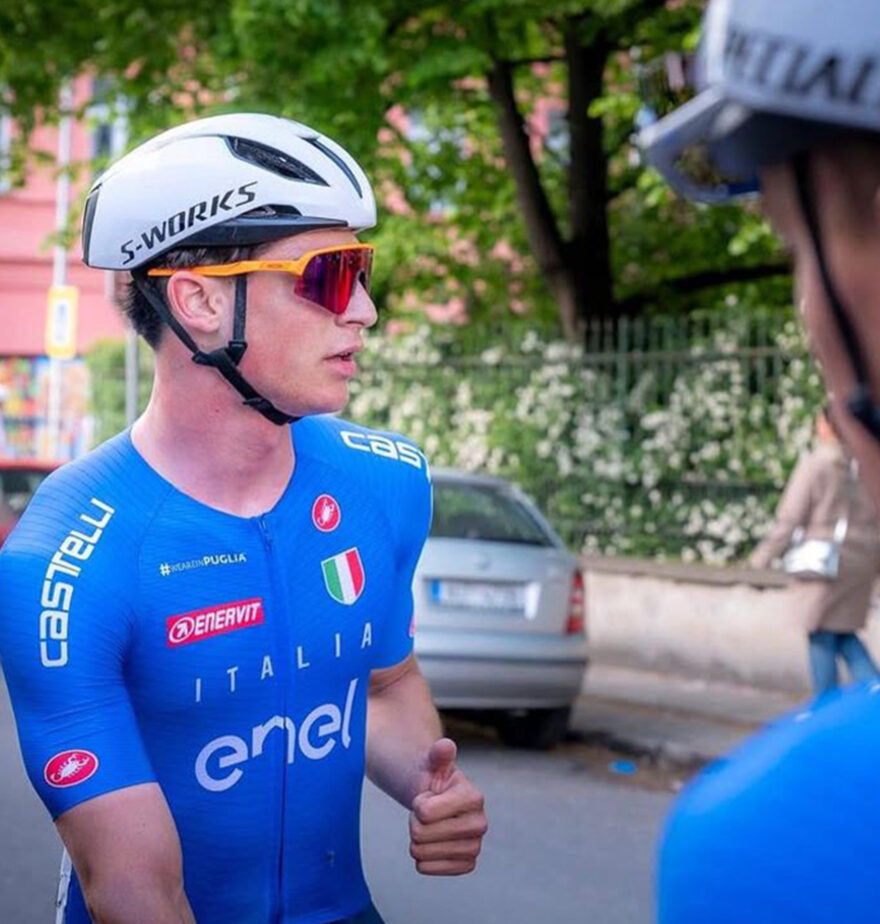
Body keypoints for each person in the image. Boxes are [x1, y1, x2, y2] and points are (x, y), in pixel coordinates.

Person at [0, 113, 487, 924]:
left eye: (363, 271)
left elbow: (384, 683)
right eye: (330, 276)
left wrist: (426, 788)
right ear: (198, 300)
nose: (365, 310)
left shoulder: (386, 482)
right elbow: (134, 889)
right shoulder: (66, 556)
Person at [638, 1, 880, 921]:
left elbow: (795, 511)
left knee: (828, 650)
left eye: (792, 242)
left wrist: (768, 552)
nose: (808, 315)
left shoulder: (774, 836)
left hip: (828, 577)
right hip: (844, 575)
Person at [749, 407, 880, 696]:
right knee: (843, 633)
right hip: (862, 560)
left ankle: (827, 705)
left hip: (825, 563)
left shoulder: (815, 464)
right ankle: (874, 698)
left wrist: (761, 558)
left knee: (820, 632)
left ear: (827, 426)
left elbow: (790, 518)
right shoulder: (865, 465)